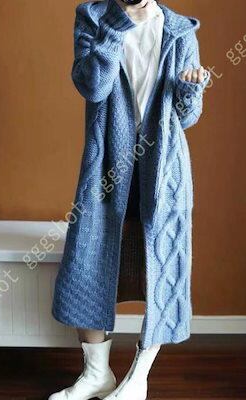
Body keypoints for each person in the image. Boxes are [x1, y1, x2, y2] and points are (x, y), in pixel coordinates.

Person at [49, 0, 210, 398]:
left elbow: (187, 117)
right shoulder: (93, 17)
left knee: (161, 269)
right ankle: (96, 375)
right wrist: (115, 27)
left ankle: (138, 379)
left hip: (163, 169)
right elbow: (93, 86)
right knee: (87, 263)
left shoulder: (179, 31)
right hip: (107, 164)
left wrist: (190, 90)